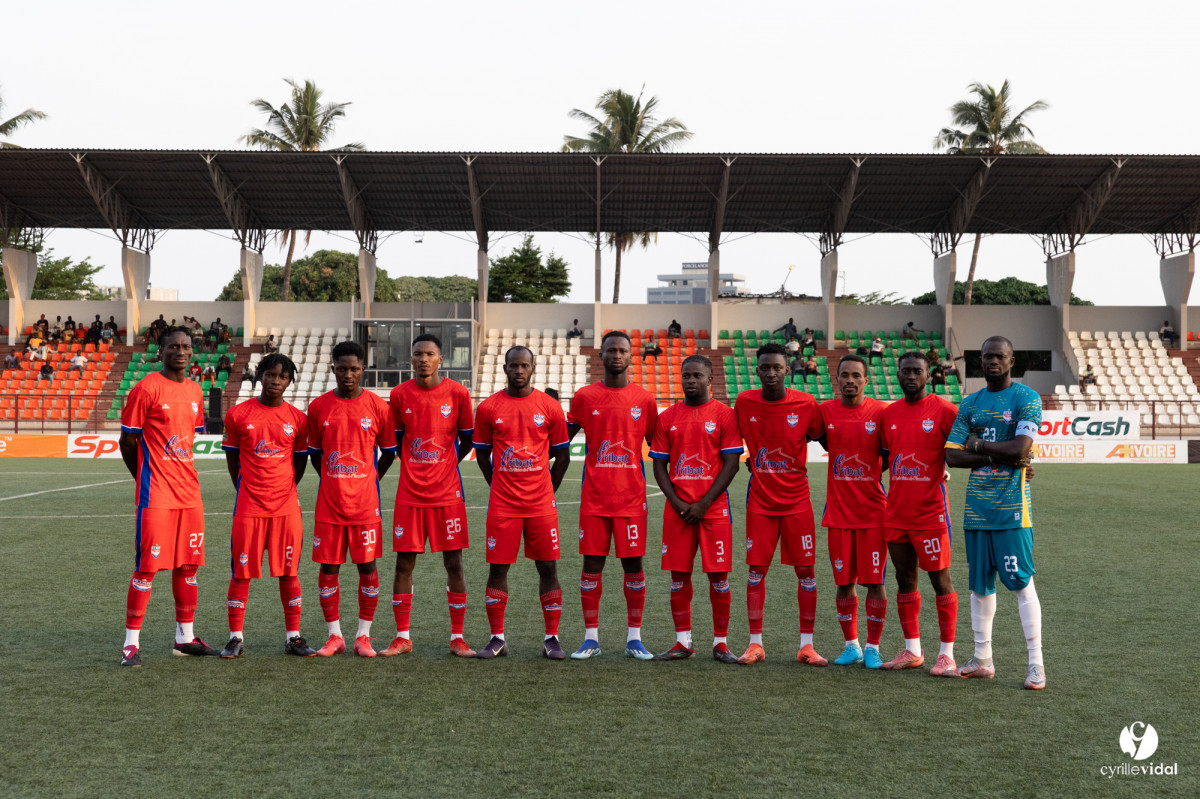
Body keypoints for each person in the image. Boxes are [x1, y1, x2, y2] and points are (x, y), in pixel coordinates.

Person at [945, 336, 1045, 690]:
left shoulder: (1026, 398)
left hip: (1013, 509)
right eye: (987, 356)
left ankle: (1036, 664)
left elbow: (1021, 447)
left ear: (1011, 361)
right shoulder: (970, 403)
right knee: (979, 585)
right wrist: (992, 455)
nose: (992, 362)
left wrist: (978, 444)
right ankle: (982, 659)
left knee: (1021, 583)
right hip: (977, 509)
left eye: (999, 356)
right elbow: (952, 455)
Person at [118, 326, 217, 666]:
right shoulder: (146, 388)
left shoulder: (195, 390)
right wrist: (143, 479)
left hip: (189, 494)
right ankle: (131, 644)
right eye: (173, 346)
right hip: (156, 495)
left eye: (186, 346)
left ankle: (184, 638)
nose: (181, 351)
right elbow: (127, 441)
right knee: (147, 568)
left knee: (189, 567)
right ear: (160, 350)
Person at [472, 346, 571, 660]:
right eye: (513, 366)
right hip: (503, 505)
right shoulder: (488, 408)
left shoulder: (550, 407)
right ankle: (497, 638)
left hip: (540, 505)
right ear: (505, 368)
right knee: (498, 568)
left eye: (524, 366)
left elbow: (563, 456)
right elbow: (482, 455)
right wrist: (496, 485)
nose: (518, 371)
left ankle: (552, 638)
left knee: (548, 567)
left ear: (532, 368)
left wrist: (548, 491)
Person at [565, 330, 659, 660]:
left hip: (632, 499)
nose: (616, 355)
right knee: (592, 565)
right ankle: (591, 638)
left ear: (630, 356)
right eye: (610, 350)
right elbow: (561, 441)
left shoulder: (645, 400)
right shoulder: (584, 397)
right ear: (600, 355)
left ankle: (635, 638)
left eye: (622, 350)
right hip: (594, 498)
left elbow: (659, 448)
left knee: (633, 566)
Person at [219, 353, 318, 658]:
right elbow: (232, 459)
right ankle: (235, 638)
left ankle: (293, 637)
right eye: (270, 374)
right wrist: (246, 489)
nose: (276, 381)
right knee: (241, 573)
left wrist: (283, 490)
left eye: (282, 376)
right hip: (249, 508)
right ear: (260, 375)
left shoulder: (298, 419)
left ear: (290, 381)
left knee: (289, 572)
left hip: (285, 509)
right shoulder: (238, 414)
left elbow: (299, 463)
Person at [385, 333, 477, 658]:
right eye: (418, 354)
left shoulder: (458, 394)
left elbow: (467, 440)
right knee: (403, 564)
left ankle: (457, 638)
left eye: (429, 354)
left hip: (447, 494)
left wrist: (447, 463)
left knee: (454, 563)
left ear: (440, 359)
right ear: (411, 359)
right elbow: (396, 440)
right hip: (410, 494)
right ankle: (402, 637)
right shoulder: (398, 395)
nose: (423, 359)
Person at [734, 343, 827, 666]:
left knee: (806, 571)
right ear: (757, 370)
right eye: (765, 368)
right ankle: (755, 644)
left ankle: (807, 646)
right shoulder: (744, 402)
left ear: (788, 370)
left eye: (777, 367)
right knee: (756, 571)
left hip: (797, 501)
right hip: (760, 502)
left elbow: (830, 439)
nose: (771, 373)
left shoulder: (806, 403)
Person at [649, 355, 744, 663]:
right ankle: (682, 641)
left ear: (709, 380)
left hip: (713, 509)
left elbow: (731, 465)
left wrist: (704, 503)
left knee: (719, 578)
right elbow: (659, 466)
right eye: (686, 375)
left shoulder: (725, 415)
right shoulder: (667, 417)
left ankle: (721, 643)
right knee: (678, 577)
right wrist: (678, 503)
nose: (690, 380)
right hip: (677, 510)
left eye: (697, 375)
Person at [306, 340, 397, 657]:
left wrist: (371, 478)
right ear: (333, 368)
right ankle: (334, 636)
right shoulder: (319, 407)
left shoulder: (378, 406)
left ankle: (363, 636)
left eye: (354, 369)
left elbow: (390, 452)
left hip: (365, 505)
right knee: (328, 567)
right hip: (330, 505)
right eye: (342, 369)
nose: (348, 374)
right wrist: (332, 480)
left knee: (367, 566)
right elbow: (315, 454)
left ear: (363, 370)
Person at [878, 352, 961, 676]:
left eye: (917, 371)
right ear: (898, 374)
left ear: (929, 375)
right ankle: (913, 650)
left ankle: (947, 655)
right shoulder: (889, 414)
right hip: (897, 512)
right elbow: (885, 458)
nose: (910, 376)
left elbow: (963, 449)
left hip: (931, 514)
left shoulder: (945, 411)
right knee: (904, 578)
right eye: (905, 371)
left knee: (940, 580)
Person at [816, 354, 890, 669]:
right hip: (838, 513)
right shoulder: (825, 412)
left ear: (866, 380)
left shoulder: (881, 412)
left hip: (874, 513)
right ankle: (852, 645)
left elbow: (894, 453)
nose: (850, 380)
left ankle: (873, 647)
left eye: (856, 375)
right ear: (837, 379)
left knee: (875, 582)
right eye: (844, 375)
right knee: (844, 581)